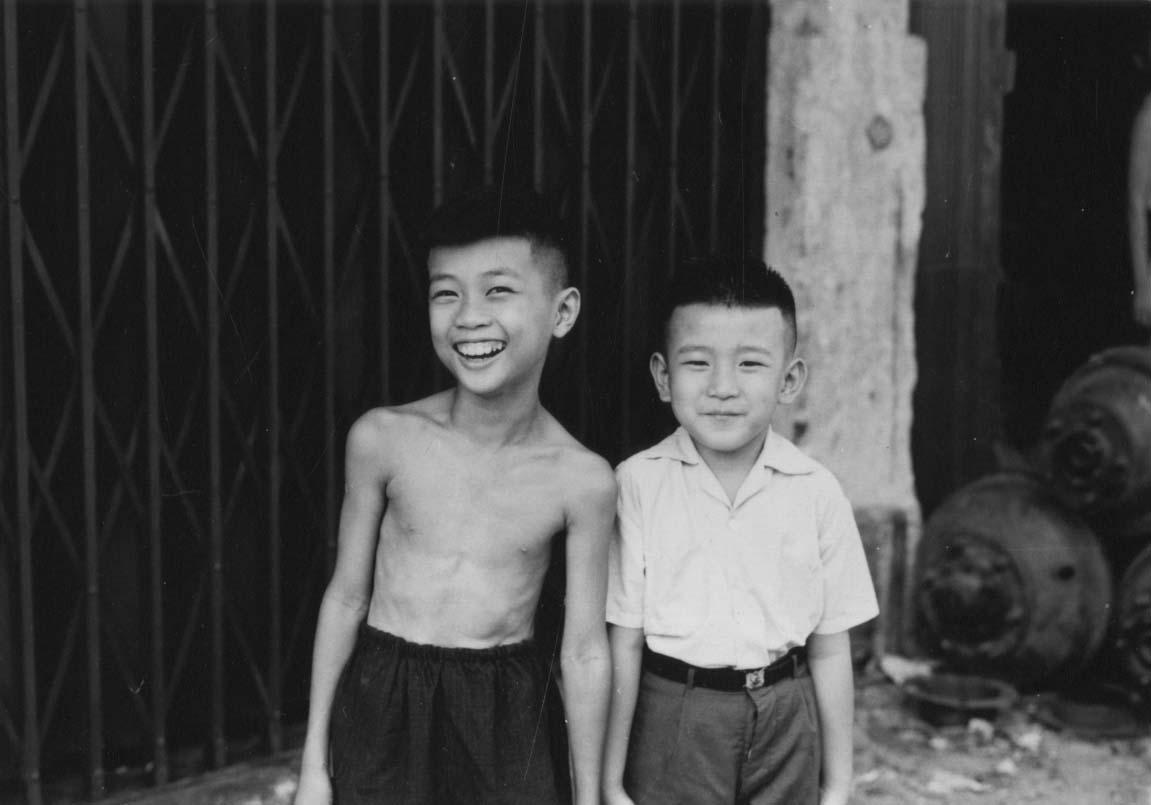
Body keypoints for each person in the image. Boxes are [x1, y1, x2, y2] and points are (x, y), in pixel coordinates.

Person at [293, 188, 615, 805]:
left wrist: (589, 796)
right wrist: (313, 765)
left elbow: (583, 650)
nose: (469, 317)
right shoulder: (383, 438)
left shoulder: (582, 479)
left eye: (499, 291)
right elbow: (346, 597)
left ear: (563, 312)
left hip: (504, 712)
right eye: (447, 293)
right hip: (385, 699)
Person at [601, 256, 879, 805]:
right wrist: (611, 783)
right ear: (663, 377)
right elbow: (624, 643)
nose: (722, 387)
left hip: (786, 714)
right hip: (676, 715)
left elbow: (829, 648)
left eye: (750, 363)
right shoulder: (636, 484)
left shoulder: (816, 490)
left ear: (789, 380)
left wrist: (837, 785)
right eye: (697, 363)